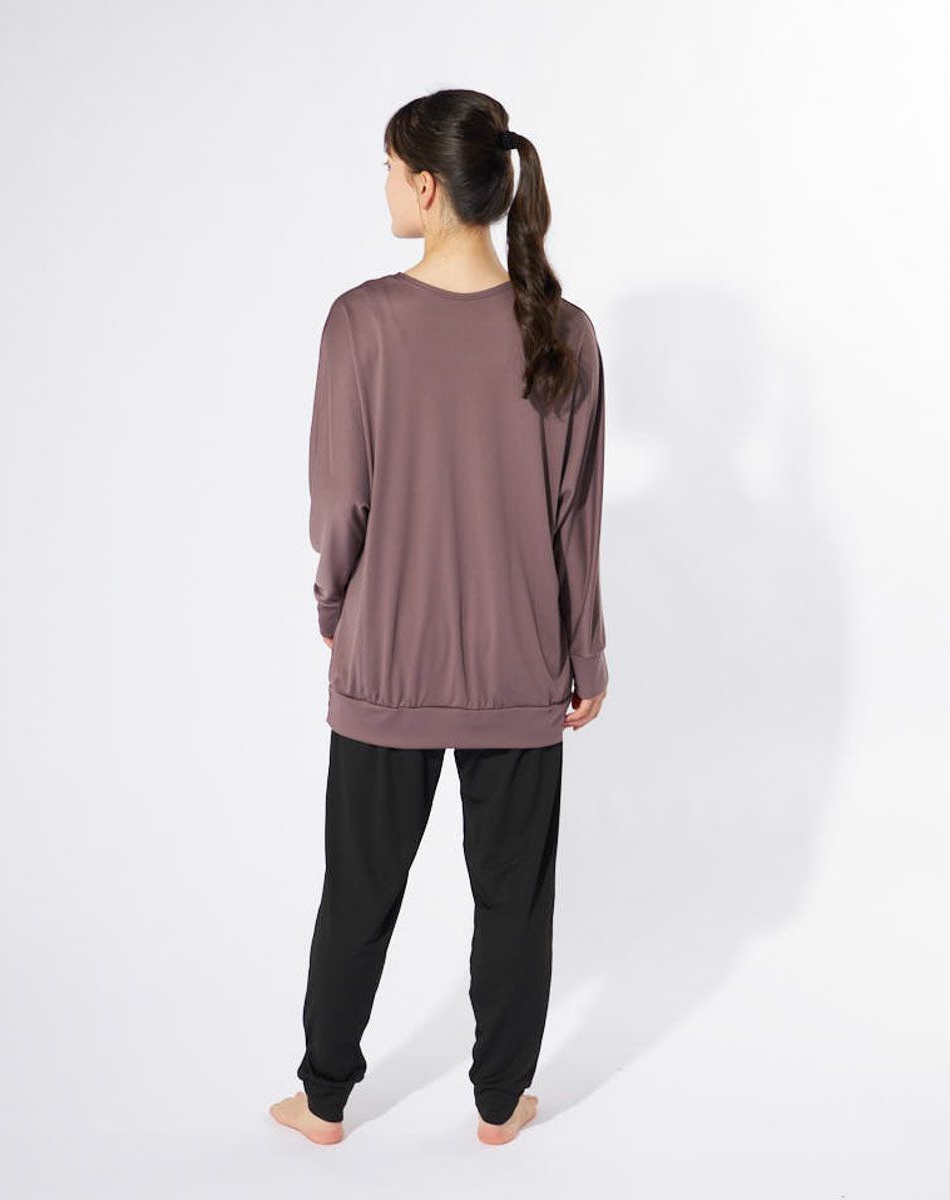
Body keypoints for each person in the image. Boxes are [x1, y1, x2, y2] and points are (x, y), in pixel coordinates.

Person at [270, 88, 608, 1147]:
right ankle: (501, 1105)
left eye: (387, 168)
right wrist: (585, 654)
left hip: (388, 657)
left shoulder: (361, 322)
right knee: (514, 897)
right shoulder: (563, 332)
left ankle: (324, 1100)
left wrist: (337, 605)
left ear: (425, 186)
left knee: (358, 890)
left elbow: (339, 500)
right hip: (520, 662)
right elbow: (576, 520)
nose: (381, 186)